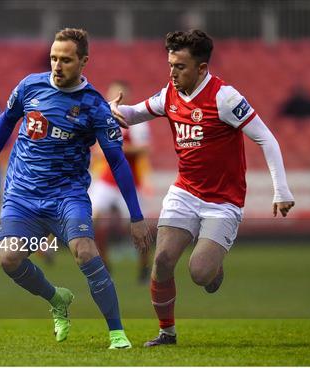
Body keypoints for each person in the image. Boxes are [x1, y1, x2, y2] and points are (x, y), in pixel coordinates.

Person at [109, 30, 295, 347]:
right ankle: (167, 333)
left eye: (180, 66)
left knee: (199, 273)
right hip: (185, 192)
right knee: (163, 260)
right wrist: (111, 109)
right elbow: (135, 112)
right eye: (170, 65)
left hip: (223, 201)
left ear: (202, 69)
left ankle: (213, 267)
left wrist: (281, 190)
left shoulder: (226, 98)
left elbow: (266, 138)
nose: (172, 73)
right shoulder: (170, 93)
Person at [0, 28, 153, 349]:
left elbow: (117, 162)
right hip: (22, 196)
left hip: (66, 195)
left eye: (66, 60)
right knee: (8, 258)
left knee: (85, 250)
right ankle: (57, 299)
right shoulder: (30, 86)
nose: (57, 65)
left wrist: (136, 216)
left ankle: (117, 333)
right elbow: (5, 121)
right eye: (54, 58)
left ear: (83, 61)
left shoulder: (95, 106)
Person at [89, 80, 152, 282]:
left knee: (138, 229)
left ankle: (144, 266)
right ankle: (104, 264)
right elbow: (97, 149)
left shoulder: (137, 121)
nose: (116, 99)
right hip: (107, 180)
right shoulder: (101, 118)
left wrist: (115, 148)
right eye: (113, 94)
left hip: (130, 182)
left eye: (121, 95)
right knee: (92, 219)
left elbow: (143, 148)